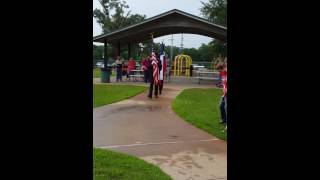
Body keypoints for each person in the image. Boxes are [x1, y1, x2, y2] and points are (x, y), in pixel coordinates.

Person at [218, 58, 227, 130]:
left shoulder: (226, 72)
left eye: (220, 69)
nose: (219, 72)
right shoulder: (222, 73)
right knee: (221, 106)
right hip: (224, 93)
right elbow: (223, 82)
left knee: (226, 107)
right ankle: (224, 119)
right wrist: (221, 84)